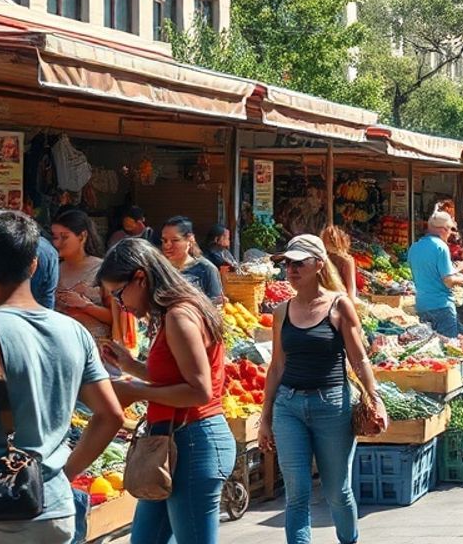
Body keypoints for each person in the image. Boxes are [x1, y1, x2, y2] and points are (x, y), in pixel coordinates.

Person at [0, 210, 123, 543]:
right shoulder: (73, 332)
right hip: (56, 510)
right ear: (34, 265)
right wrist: (61, 474)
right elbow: (110, 415)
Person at [98, 238, 235, 543]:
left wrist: (137, 391)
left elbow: (198, 391)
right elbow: (176, 377)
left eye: (119, 295)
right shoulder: (175, 312)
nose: (121, 306)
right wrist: (131, 366)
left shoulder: (179, 316)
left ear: (141, 278)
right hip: (174, 445)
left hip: (194, 443)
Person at [258, 235, 386, 544]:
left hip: (332, 406)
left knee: (337, 492)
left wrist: (376, 398)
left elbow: (359, 359)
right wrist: (265, 416)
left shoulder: (339, 306)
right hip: (288, 407)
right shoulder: (281, 312)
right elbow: (276, 367)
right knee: (297, 492)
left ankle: (349, 539)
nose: (291, 269)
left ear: (318, 264)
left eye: (299, 263)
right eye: (287, 263)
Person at [408, 211, 463, 338]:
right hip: (441, 306)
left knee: (428, 347)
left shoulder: (414, 247)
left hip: (421, 305)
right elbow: (448, 280)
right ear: (444, 229)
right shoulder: (441, 247)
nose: (450, 234)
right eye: (450, 230)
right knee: (448, 348)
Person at [51, 209, 113, 340]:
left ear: (82, 236)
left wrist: (86, 306)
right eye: (55, 237)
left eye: (64, 237)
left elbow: (116, 317)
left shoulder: (101, 269)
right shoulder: (53, 269)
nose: (57, 243)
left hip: (96, 346)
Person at [160, 216, 225, 303]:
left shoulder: (206, 269)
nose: (167, 245)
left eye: (175, 240)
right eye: (164, 241)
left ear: (190, 240)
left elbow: (216, 306)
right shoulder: (159, 268)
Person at [320, 225, 360, 300]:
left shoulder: (346, 260)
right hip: (330, 295)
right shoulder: (326, 257)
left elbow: (351, 287)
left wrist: (350, 302)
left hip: (341, 297)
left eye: (330, 241)